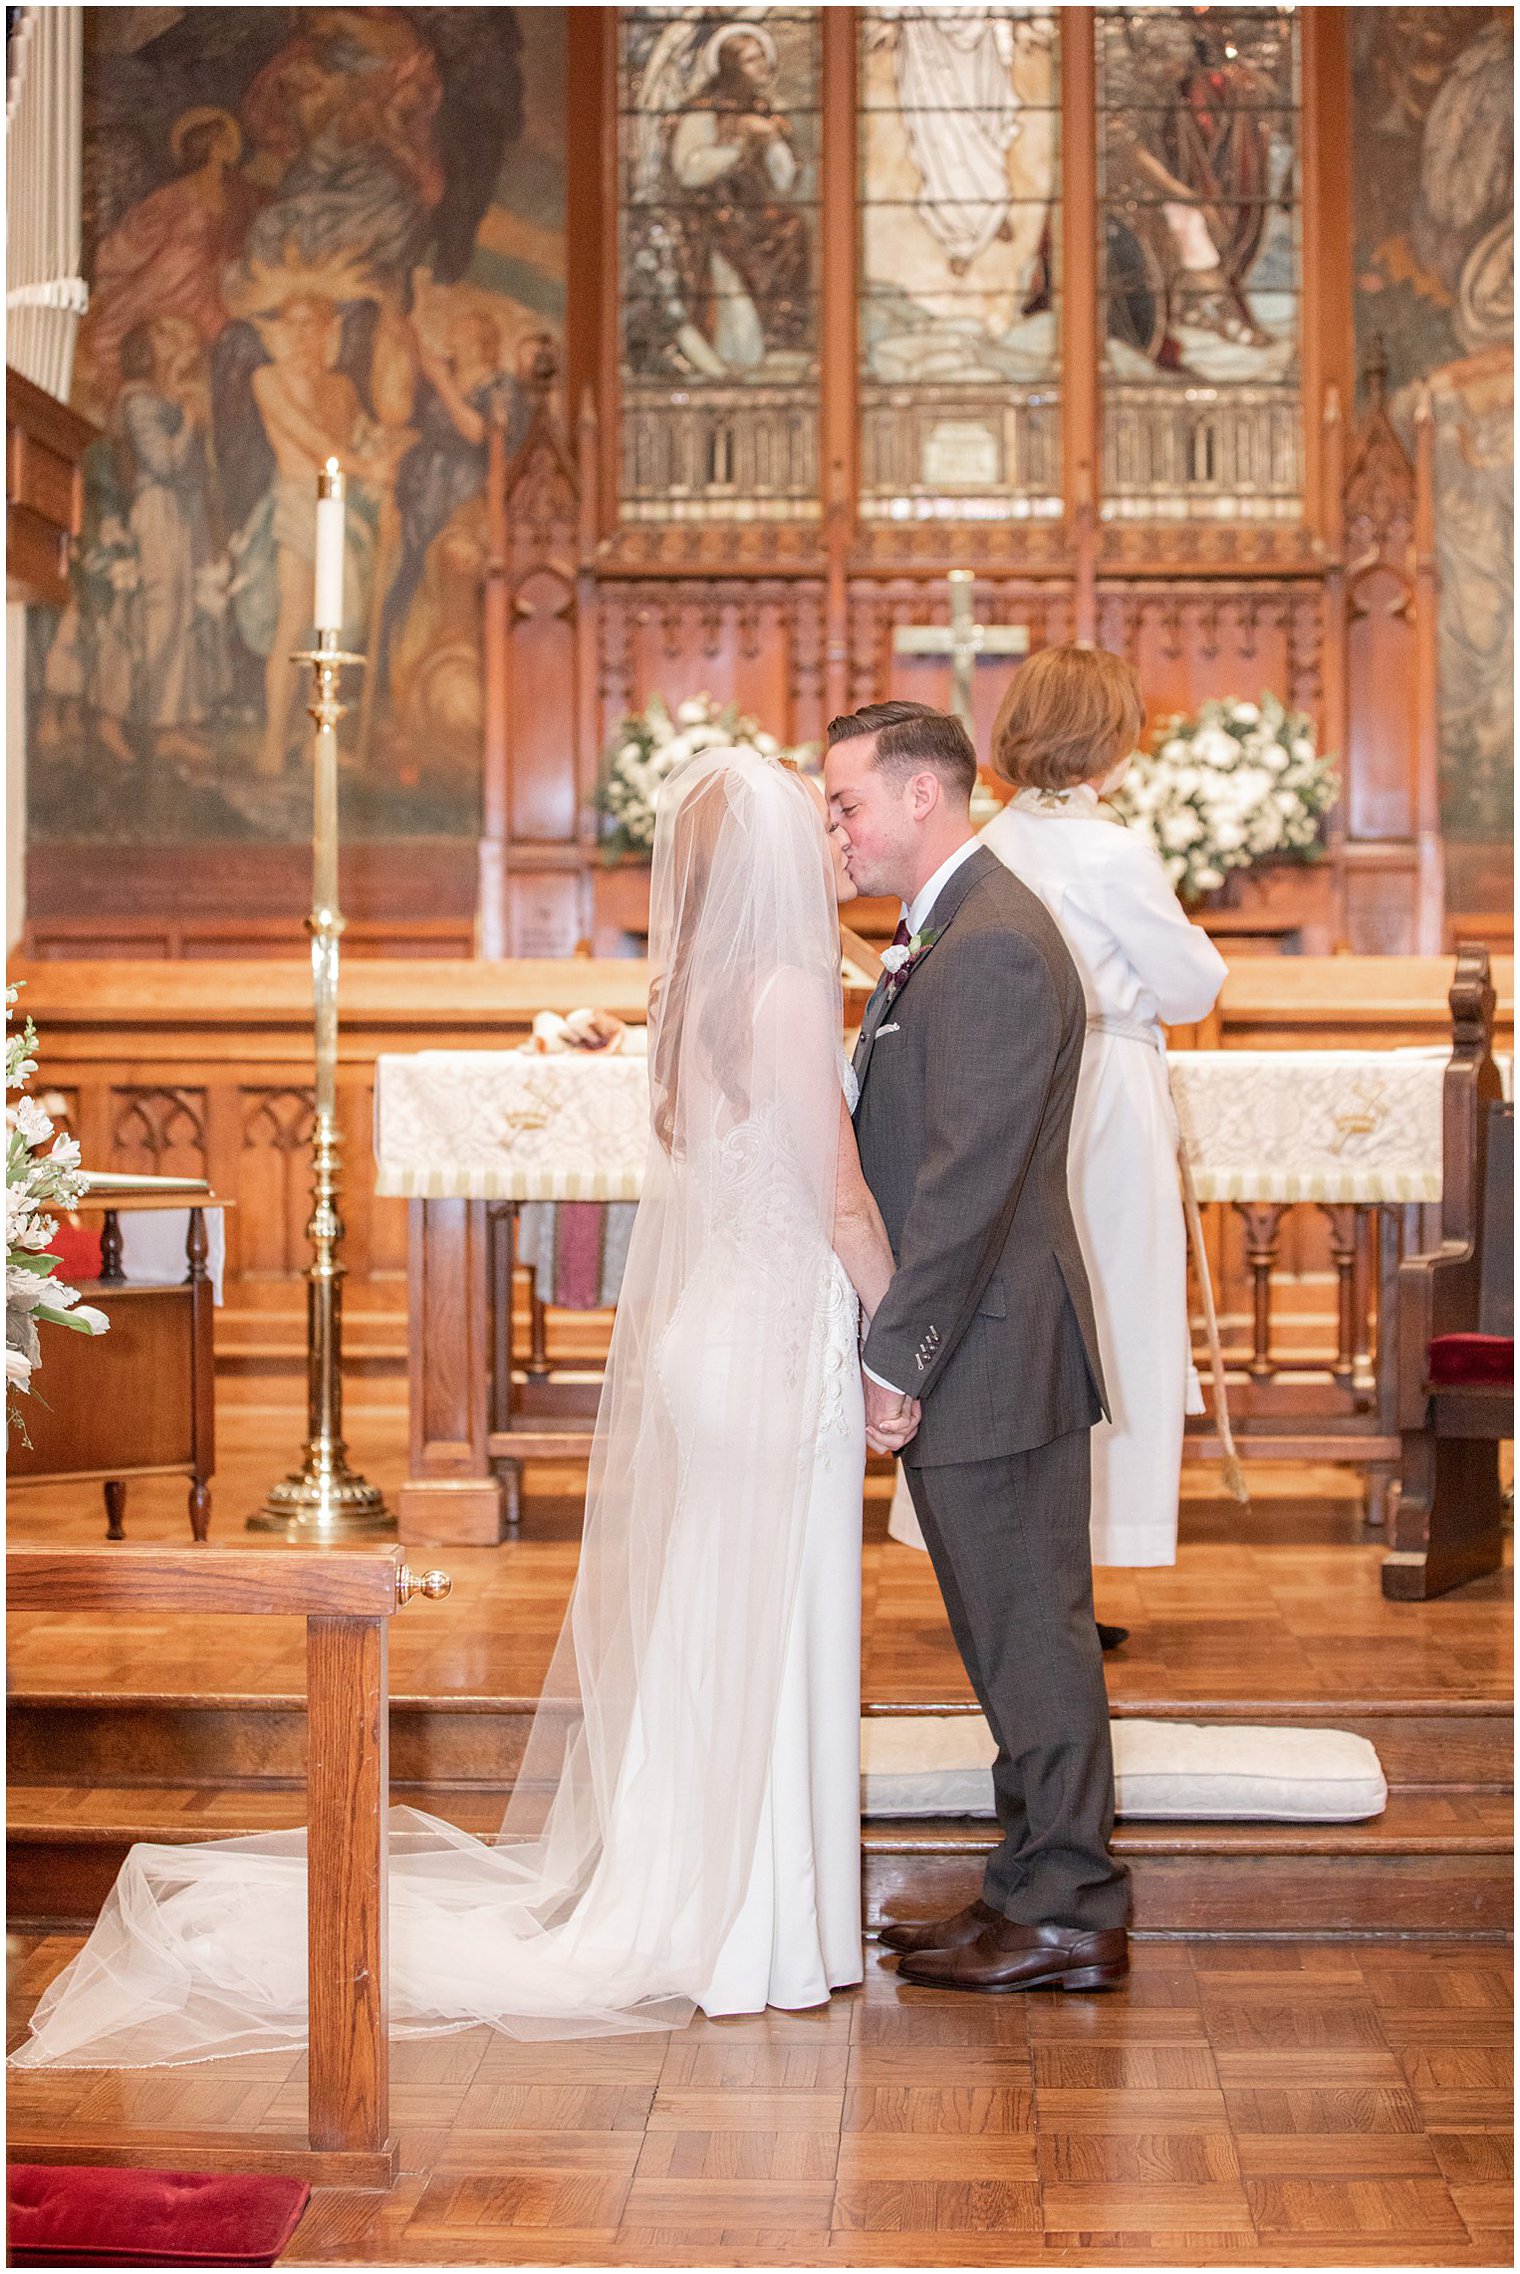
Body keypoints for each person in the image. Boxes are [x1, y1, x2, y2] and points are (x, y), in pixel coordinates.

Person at [12, 746, 898, 2067]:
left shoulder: (688, 992)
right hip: (778, 1345)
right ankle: (753, 1924)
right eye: (811, 823)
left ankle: (732, 1908)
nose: (832, 839)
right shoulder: (782, 991)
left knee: (726, 1624)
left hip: (727, 1333)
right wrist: (898, 1338)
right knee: (769, 1627)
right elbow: (836, 1198)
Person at [826, 701, 1131, 1996]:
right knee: (1005, 1632)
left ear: (919, 798)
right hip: (986, 1349)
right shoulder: (963, 923)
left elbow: (967, 1183)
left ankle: (1071, 1901)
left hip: (993, 1351)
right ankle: (1026, 1886)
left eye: (846, 803)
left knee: (1032, 1634)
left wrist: (898, 1356)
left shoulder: (995, 941)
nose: (835, 829)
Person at [981, 646, 1228, 1576]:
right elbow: (1191, 985)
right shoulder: (1111, 848)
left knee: (1021, 1311)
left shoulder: (991, 842)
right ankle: (1093, 1544)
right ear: (1106, 739)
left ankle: (1014, 1546)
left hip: (1007, 1089)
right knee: (1115, 1313)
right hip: (1105, 1100)